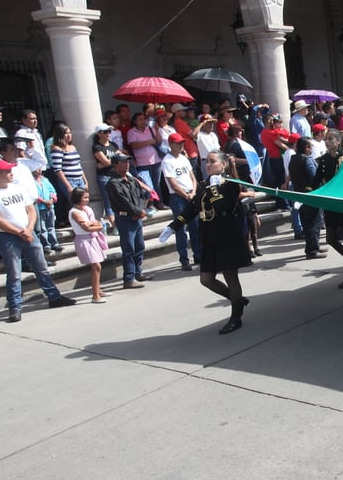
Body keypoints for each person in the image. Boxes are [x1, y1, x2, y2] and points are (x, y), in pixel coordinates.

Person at [160, 151, 251, 334]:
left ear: (223, 165)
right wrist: (173, 226)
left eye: (212, 161)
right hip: (209, 237)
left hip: (227, 236)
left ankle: (236, 317)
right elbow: (192, 208)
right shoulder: (203, 185)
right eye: (206, 161)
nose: (208, 164)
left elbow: (222, 207)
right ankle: (237, 299)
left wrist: (215, 188)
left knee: (230, 277)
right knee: (206, 279)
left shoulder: (231, 184)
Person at [0, 159, 76, 322]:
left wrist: (29, 228)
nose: (11, 174)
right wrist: (19, 231)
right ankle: (15, 307)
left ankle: (54, 297)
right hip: (7, 237)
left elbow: (31, 209)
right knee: (14, 274)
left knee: (42, 267)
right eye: (7, 171)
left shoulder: (17, 188)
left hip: (28, 233)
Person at [315, 128, 343, 288]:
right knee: (330, 239)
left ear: (338, 141)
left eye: (330, 139)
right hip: (330, 203)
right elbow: (316, 181)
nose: (327, 142)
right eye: (326, 139)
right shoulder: (323, 160)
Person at [105, 154, 150, 289]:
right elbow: (123, 201)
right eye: (123, 162)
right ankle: (129, 278)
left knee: (139, 246)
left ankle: (138, 272)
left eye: (127, 162)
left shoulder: (132, 179)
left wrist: (140, 211)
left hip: (136, 218)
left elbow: (141, 196)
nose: (127, 164)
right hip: (125, 218)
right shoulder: (113, 183)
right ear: (115, 165)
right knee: (129, 248)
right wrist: (136, 212)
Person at [161, 133, 200, 271]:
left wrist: (193, 192)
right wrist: (186, 195)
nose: (181, 145)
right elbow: (173, 184)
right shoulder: (167, 161)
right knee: (181, 229)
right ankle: (184, 259)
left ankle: (198, 254)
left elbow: (193, 177)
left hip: (190, 193)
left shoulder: (184, 158)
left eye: (182, 142)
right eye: (178, 143)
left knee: (195, 226)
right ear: (171, 144)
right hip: (178, 197)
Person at [288, 137, 326, 260]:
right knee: (313, 223)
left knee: (309, 221)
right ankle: (312, 251)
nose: (311, 149)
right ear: (306, 148)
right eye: (310, 146)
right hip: (311, 195)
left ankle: (315, 245)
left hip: (300, 194)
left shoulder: (293, 159)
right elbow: (314, 177)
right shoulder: (307, 159)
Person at [68, 187, 108, 303]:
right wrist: (95, 225)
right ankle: (95, 296)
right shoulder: (74, 212)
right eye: (84, 197)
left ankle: (98, 290)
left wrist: (94, 224)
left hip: (92, 239)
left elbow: (95, 224)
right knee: (96, 266)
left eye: (88, 197)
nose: (87, 200)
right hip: (84, 241)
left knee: (98, 265)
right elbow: (85, 227)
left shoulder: (87, 210)